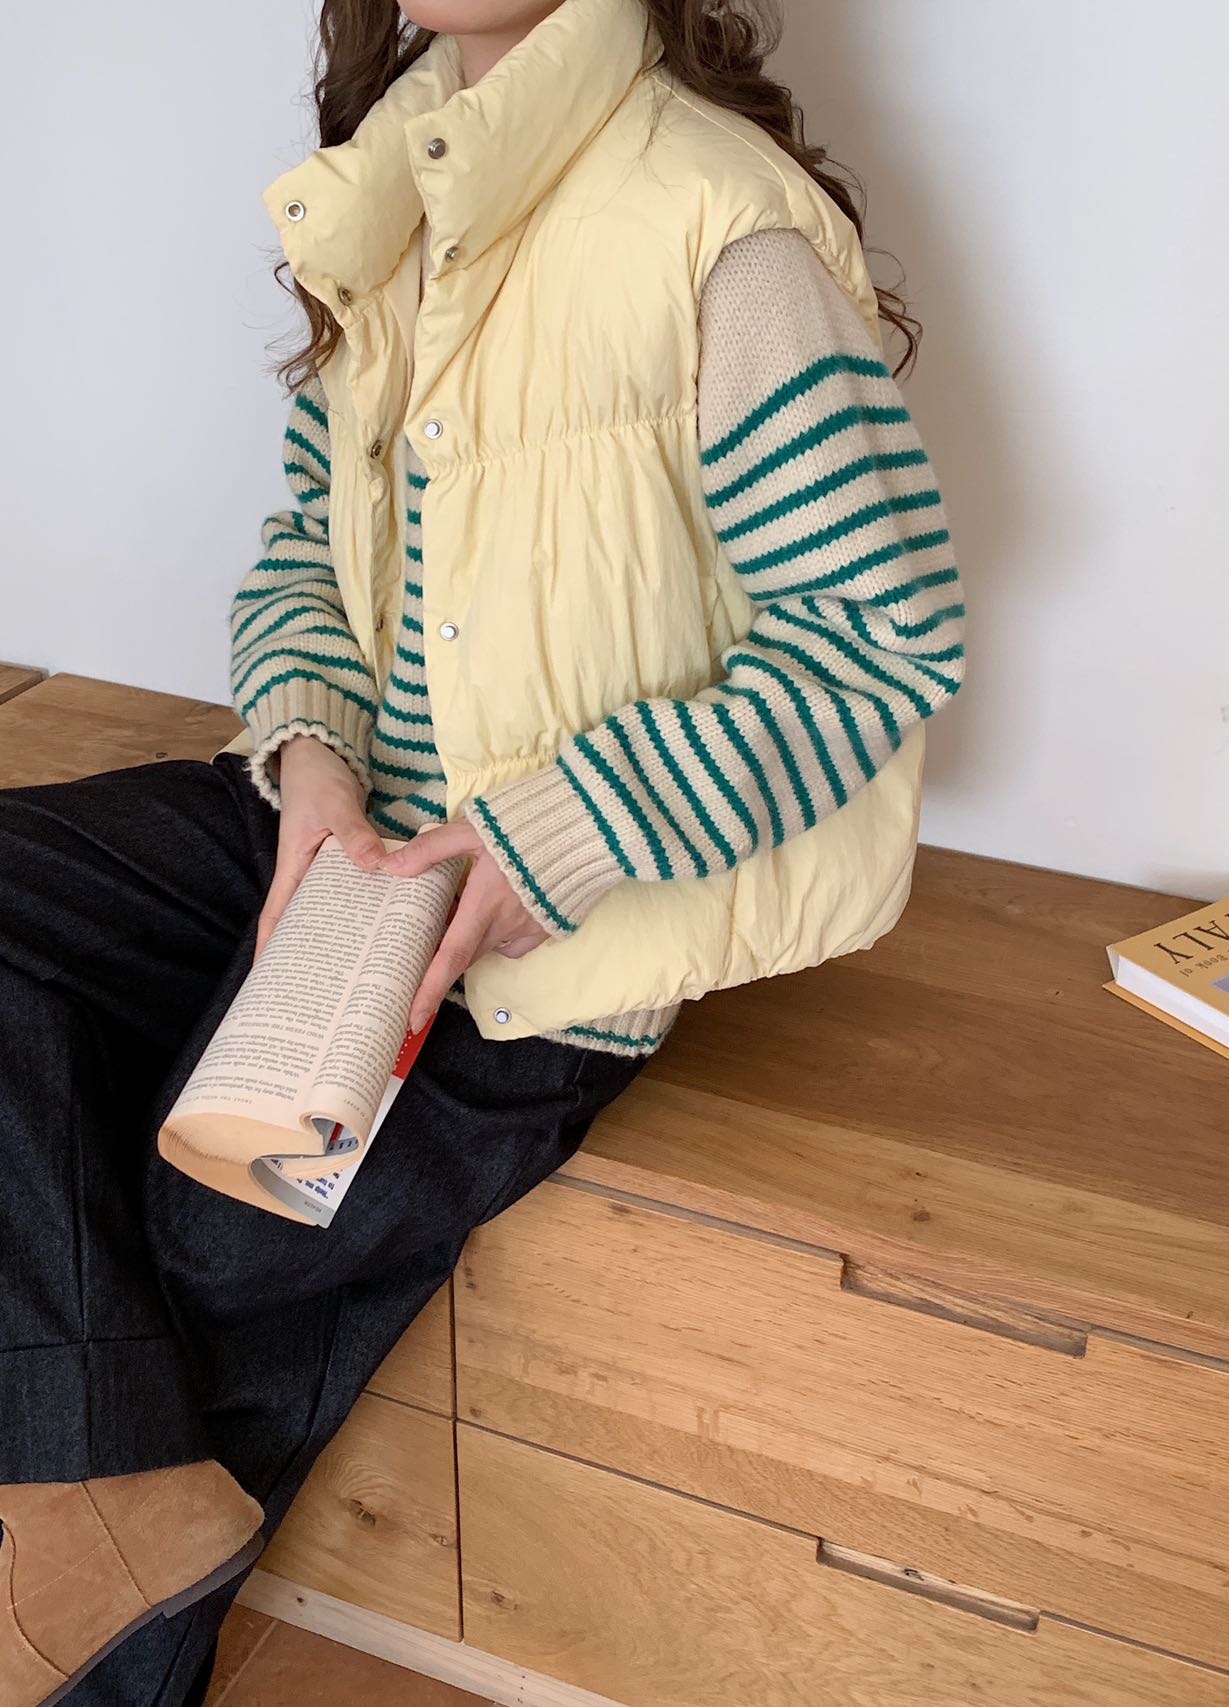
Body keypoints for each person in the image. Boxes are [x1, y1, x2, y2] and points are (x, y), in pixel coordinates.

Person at [0, 0, 967, 1700]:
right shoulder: (391, 192)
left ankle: (93, 1587)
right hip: (323, 842)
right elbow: (307, 547)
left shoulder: (716, 221)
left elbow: (876, 638)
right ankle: (90, 1510)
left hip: (546, 931)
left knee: (210, 1234)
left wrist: (542, 844)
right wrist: (310, 758)